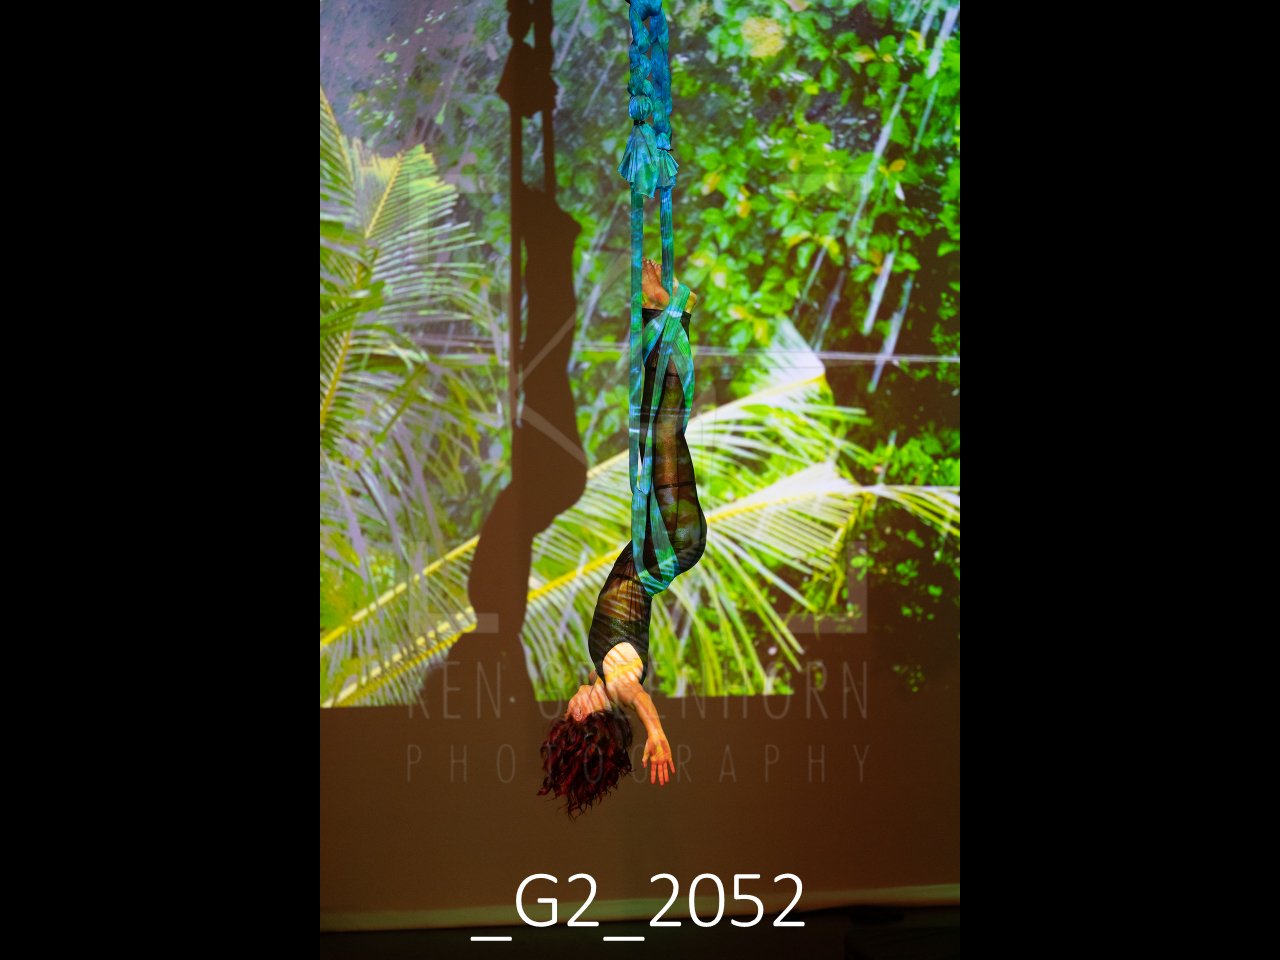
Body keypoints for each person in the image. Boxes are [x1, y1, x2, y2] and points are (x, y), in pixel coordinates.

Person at [537, 258, 706, 818]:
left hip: (662, 542)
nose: (566, 707)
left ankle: (672, 312)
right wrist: (655, 732)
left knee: (660, 427)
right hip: (670, 541)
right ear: (586, 718)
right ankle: (669, 310)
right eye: (569, 718)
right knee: (664, 430)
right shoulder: (618, 679)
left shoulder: (602, 670)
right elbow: (638, 698)